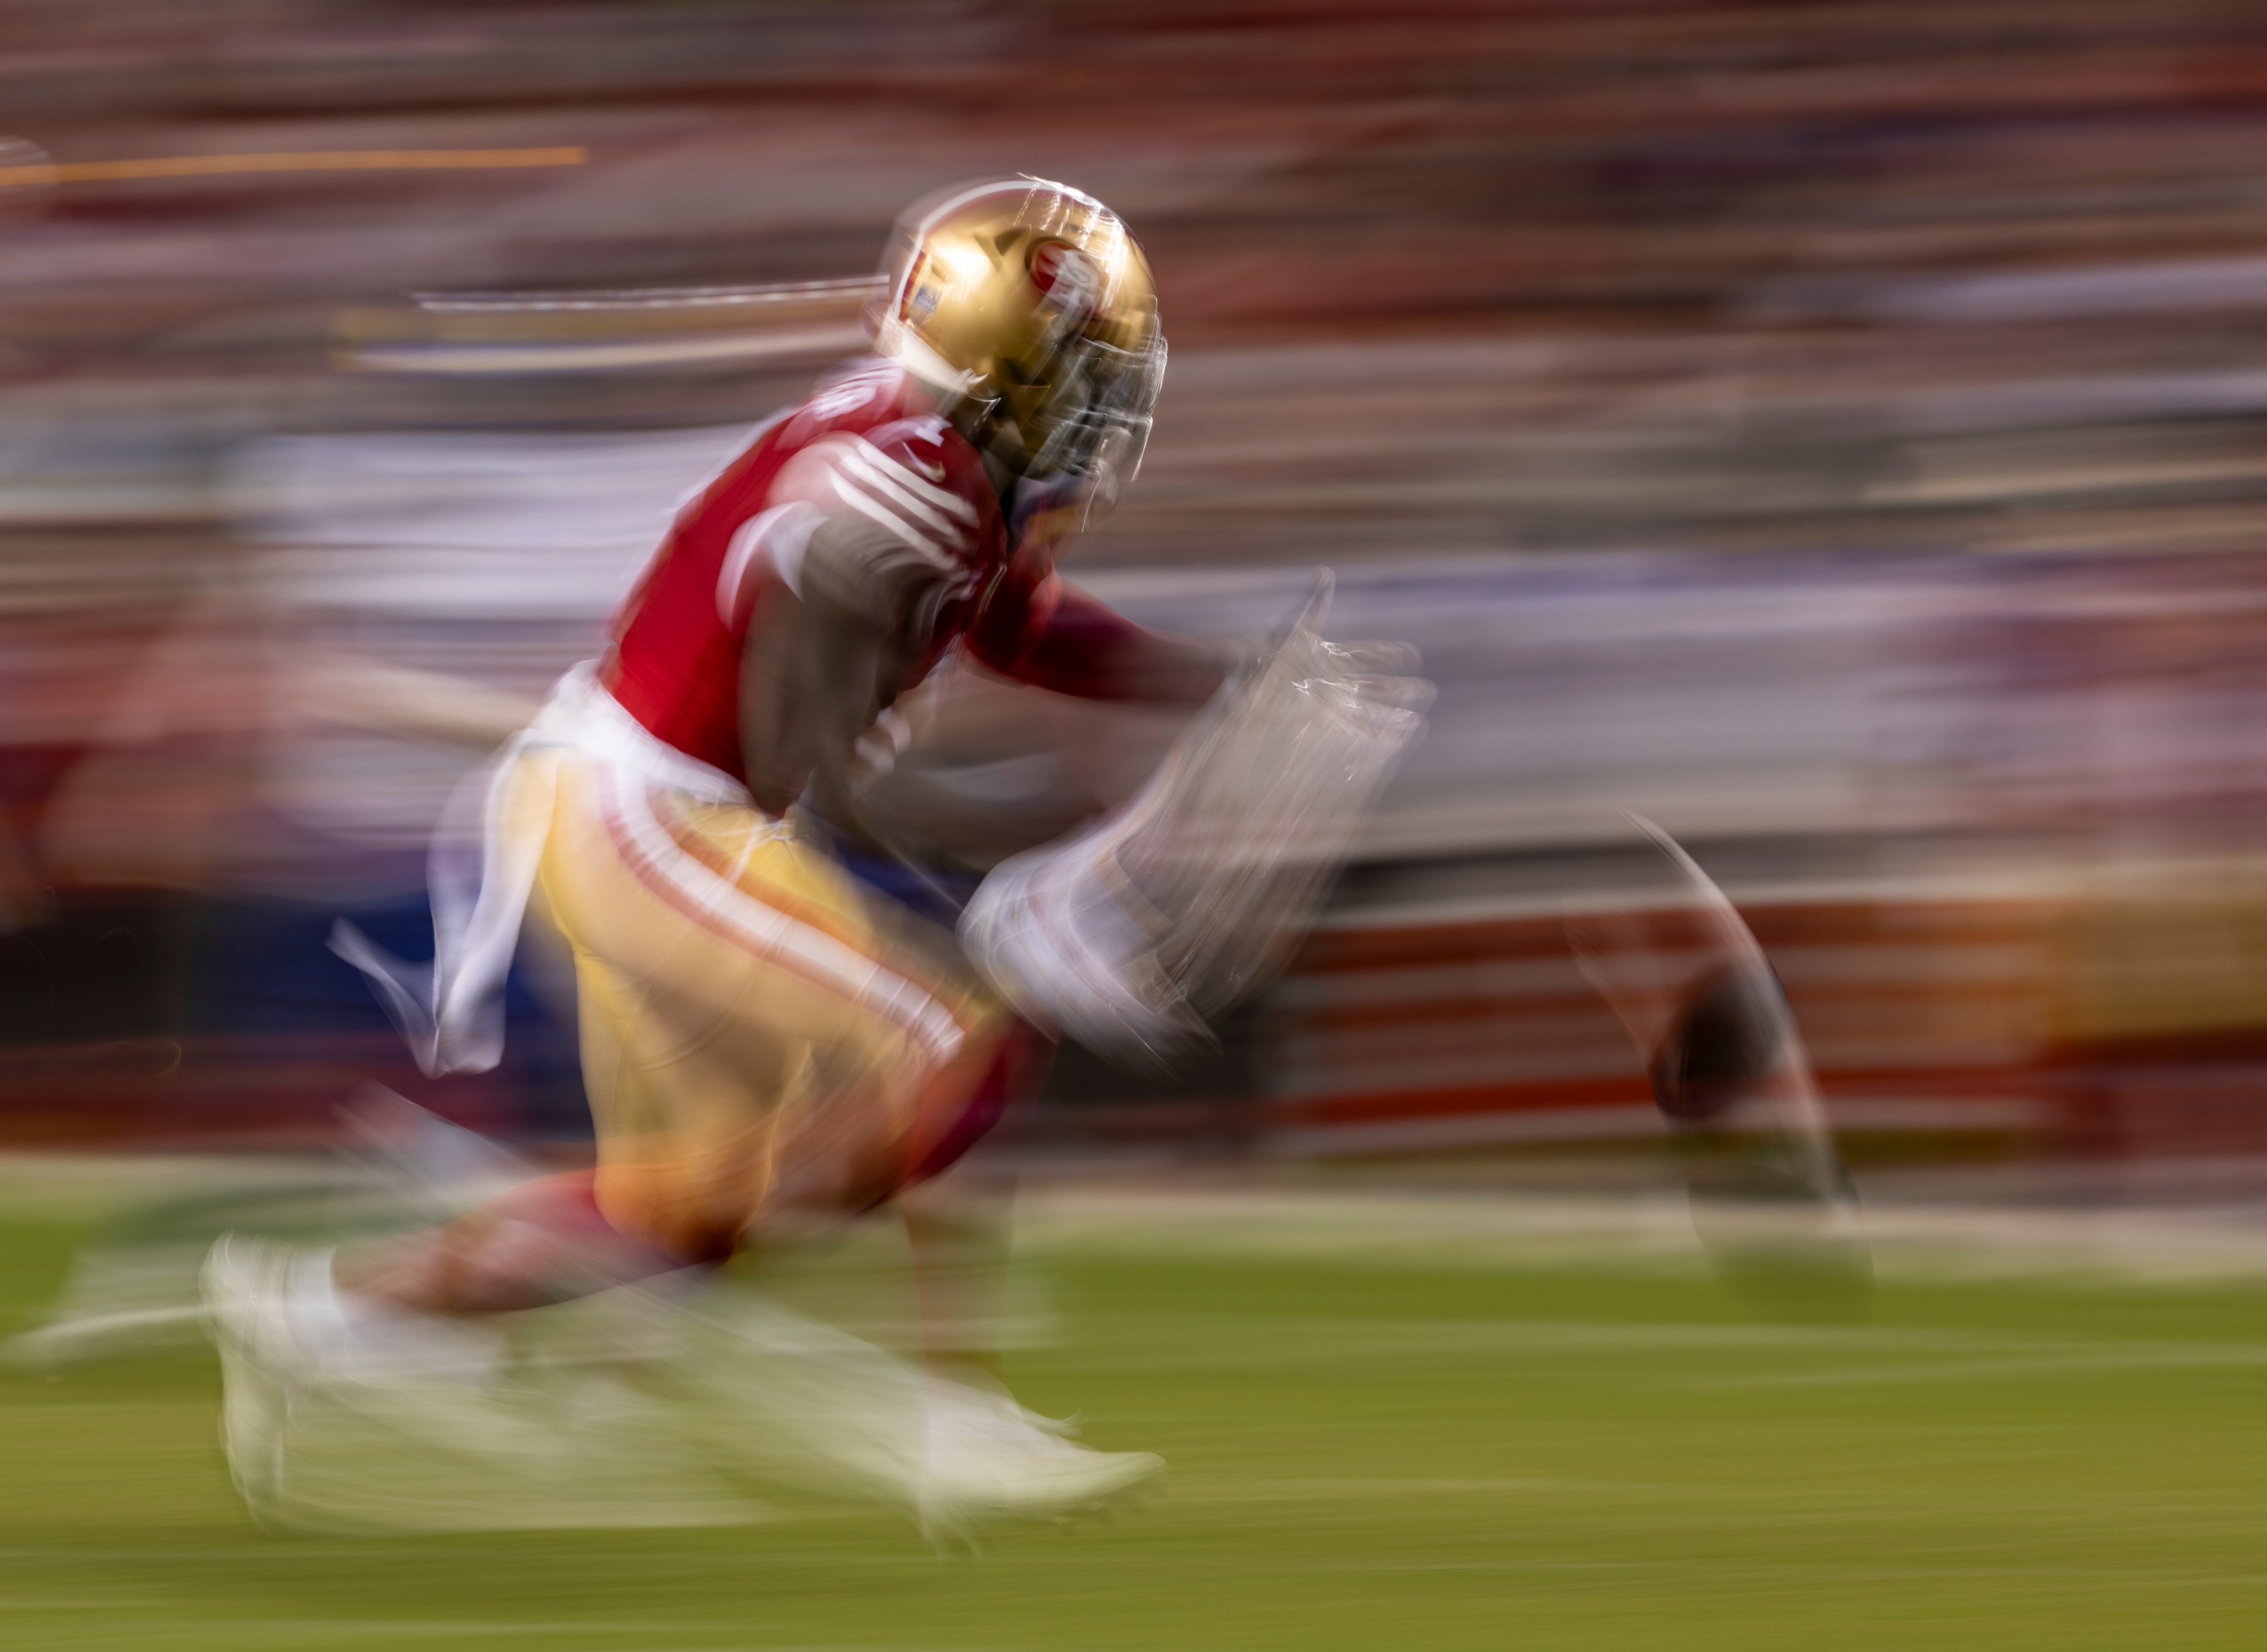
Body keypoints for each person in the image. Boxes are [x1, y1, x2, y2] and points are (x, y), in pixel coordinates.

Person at [204, 177, 1427, 1535]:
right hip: (645, 812)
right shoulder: (899, 484)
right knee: (943, 1048)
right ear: (1004, 362)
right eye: (1088, 374)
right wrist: (1025, 864)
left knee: (696, 1212)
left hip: (678, 810)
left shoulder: (959, 468)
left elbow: (1014, 634)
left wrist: (1216, 680)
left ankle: (327, 1314)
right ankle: (955, 1425)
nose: (1109, 407)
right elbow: (827, 760)